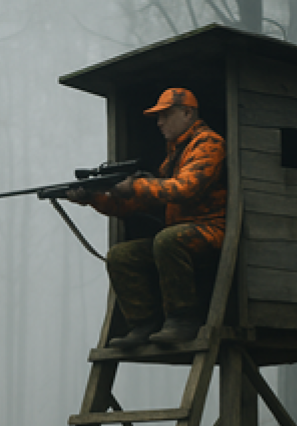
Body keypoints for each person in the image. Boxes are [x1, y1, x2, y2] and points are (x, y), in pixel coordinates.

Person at [69, 87, 226, 347]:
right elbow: (137, 204)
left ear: (187, 113)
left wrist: (135, 186)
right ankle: (143, 323)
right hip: (180, 236)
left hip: (210, 231)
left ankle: (184, 320)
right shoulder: (174, 155)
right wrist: (93, 198)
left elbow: (186, 188)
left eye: (165, 115)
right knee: (121, 255)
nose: (159, 122)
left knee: (166, 240)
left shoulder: (208, 143)